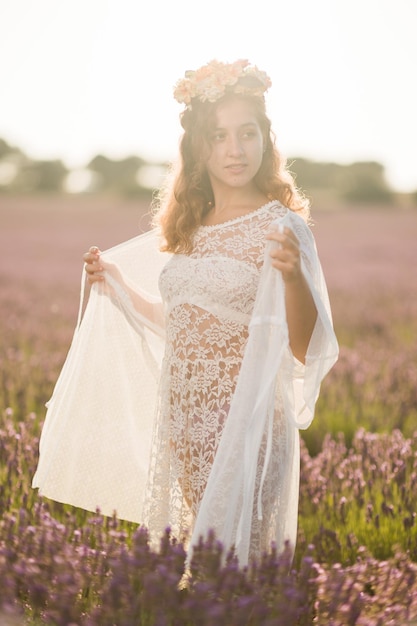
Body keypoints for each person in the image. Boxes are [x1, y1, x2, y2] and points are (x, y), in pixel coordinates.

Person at [33, 59, 338, 565]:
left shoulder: (281, 226)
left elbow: (306, 349)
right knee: (208, 561)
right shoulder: (190, 228)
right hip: (186, 422)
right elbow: (181, 323)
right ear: (198, 147)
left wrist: (293, 280)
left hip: (248, 423)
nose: (234, 149)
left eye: (246, 133)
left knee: (237, 567)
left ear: (265, 138)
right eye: (218, 136)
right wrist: (117, 284)